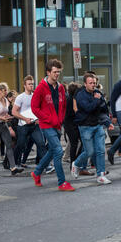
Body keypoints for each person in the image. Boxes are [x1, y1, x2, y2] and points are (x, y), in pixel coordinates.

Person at [30, 59, 75, 191]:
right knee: (58, 151)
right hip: (46, 125)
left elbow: (64, 105)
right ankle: (62, 182)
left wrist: (60, 119)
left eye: (58, 72)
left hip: (57, 124)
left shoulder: (61, 87)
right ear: (48, 72)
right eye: (55, 72)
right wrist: (47, 118)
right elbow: (34, 108)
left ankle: (37, 172)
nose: (57, 75)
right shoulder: (40, 88)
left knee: (52, 151)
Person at [71, 73, 114, 184]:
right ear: (85, 84)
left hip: (98, 125)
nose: (93, 85)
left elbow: (103, 110)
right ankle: (76, 164)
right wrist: (96, 100)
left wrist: (108, 122)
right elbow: (88, 108)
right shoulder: (80, 95)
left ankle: (100, 175)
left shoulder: (98, 93)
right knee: (89, 151)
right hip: (85, 127)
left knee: (100, 151)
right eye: (90, 83)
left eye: (94, 83)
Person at [0, 83, 23, 176]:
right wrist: (1, 118)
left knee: (9, 145)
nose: (6, 92)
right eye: (5, 90)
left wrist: (7, 117)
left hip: (3, 125)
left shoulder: (6, 100)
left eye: (6, 90)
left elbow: (4, 113)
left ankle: (13, 168)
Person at [12, 75, 47, 169]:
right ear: (24, 85)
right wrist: (25, 119)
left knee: (41, 143)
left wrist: (39, 119)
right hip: (23, 126)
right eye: (29, 84)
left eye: (32, 84)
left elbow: (39, 109)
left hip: (34, 125)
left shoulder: (36, 96)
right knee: (20, 145)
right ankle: (15, 163)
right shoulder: (20, 97)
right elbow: (14, 112)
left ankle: (46, 165)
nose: (31, 86)